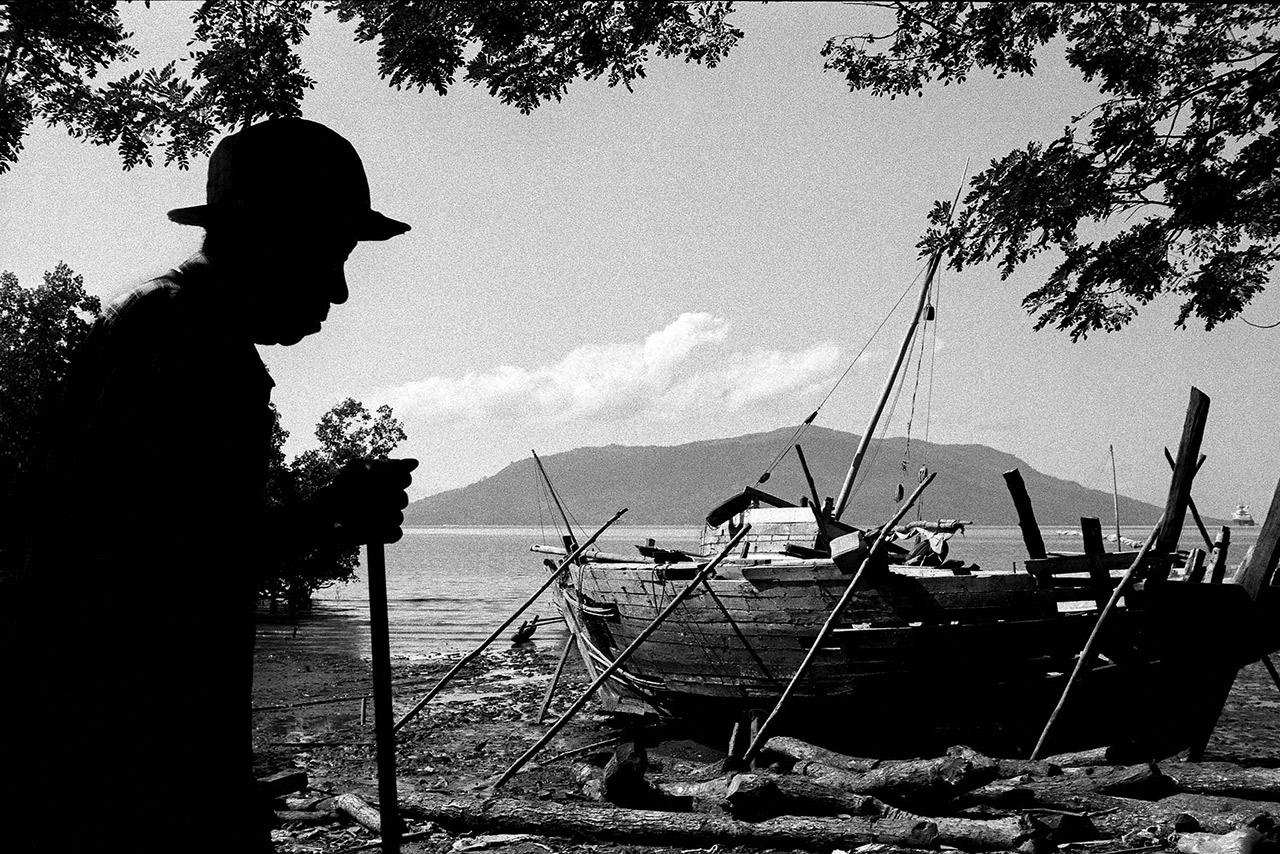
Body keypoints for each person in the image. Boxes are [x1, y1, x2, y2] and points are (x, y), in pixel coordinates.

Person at [3, 118, 416, 852]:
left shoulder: (173, 327)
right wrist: (330, 510)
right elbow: (167, 561)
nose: (339, 289)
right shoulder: (185, 343)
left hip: (128, 750)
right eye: (330, 254)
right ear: (267, 238)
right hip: (123, 763)